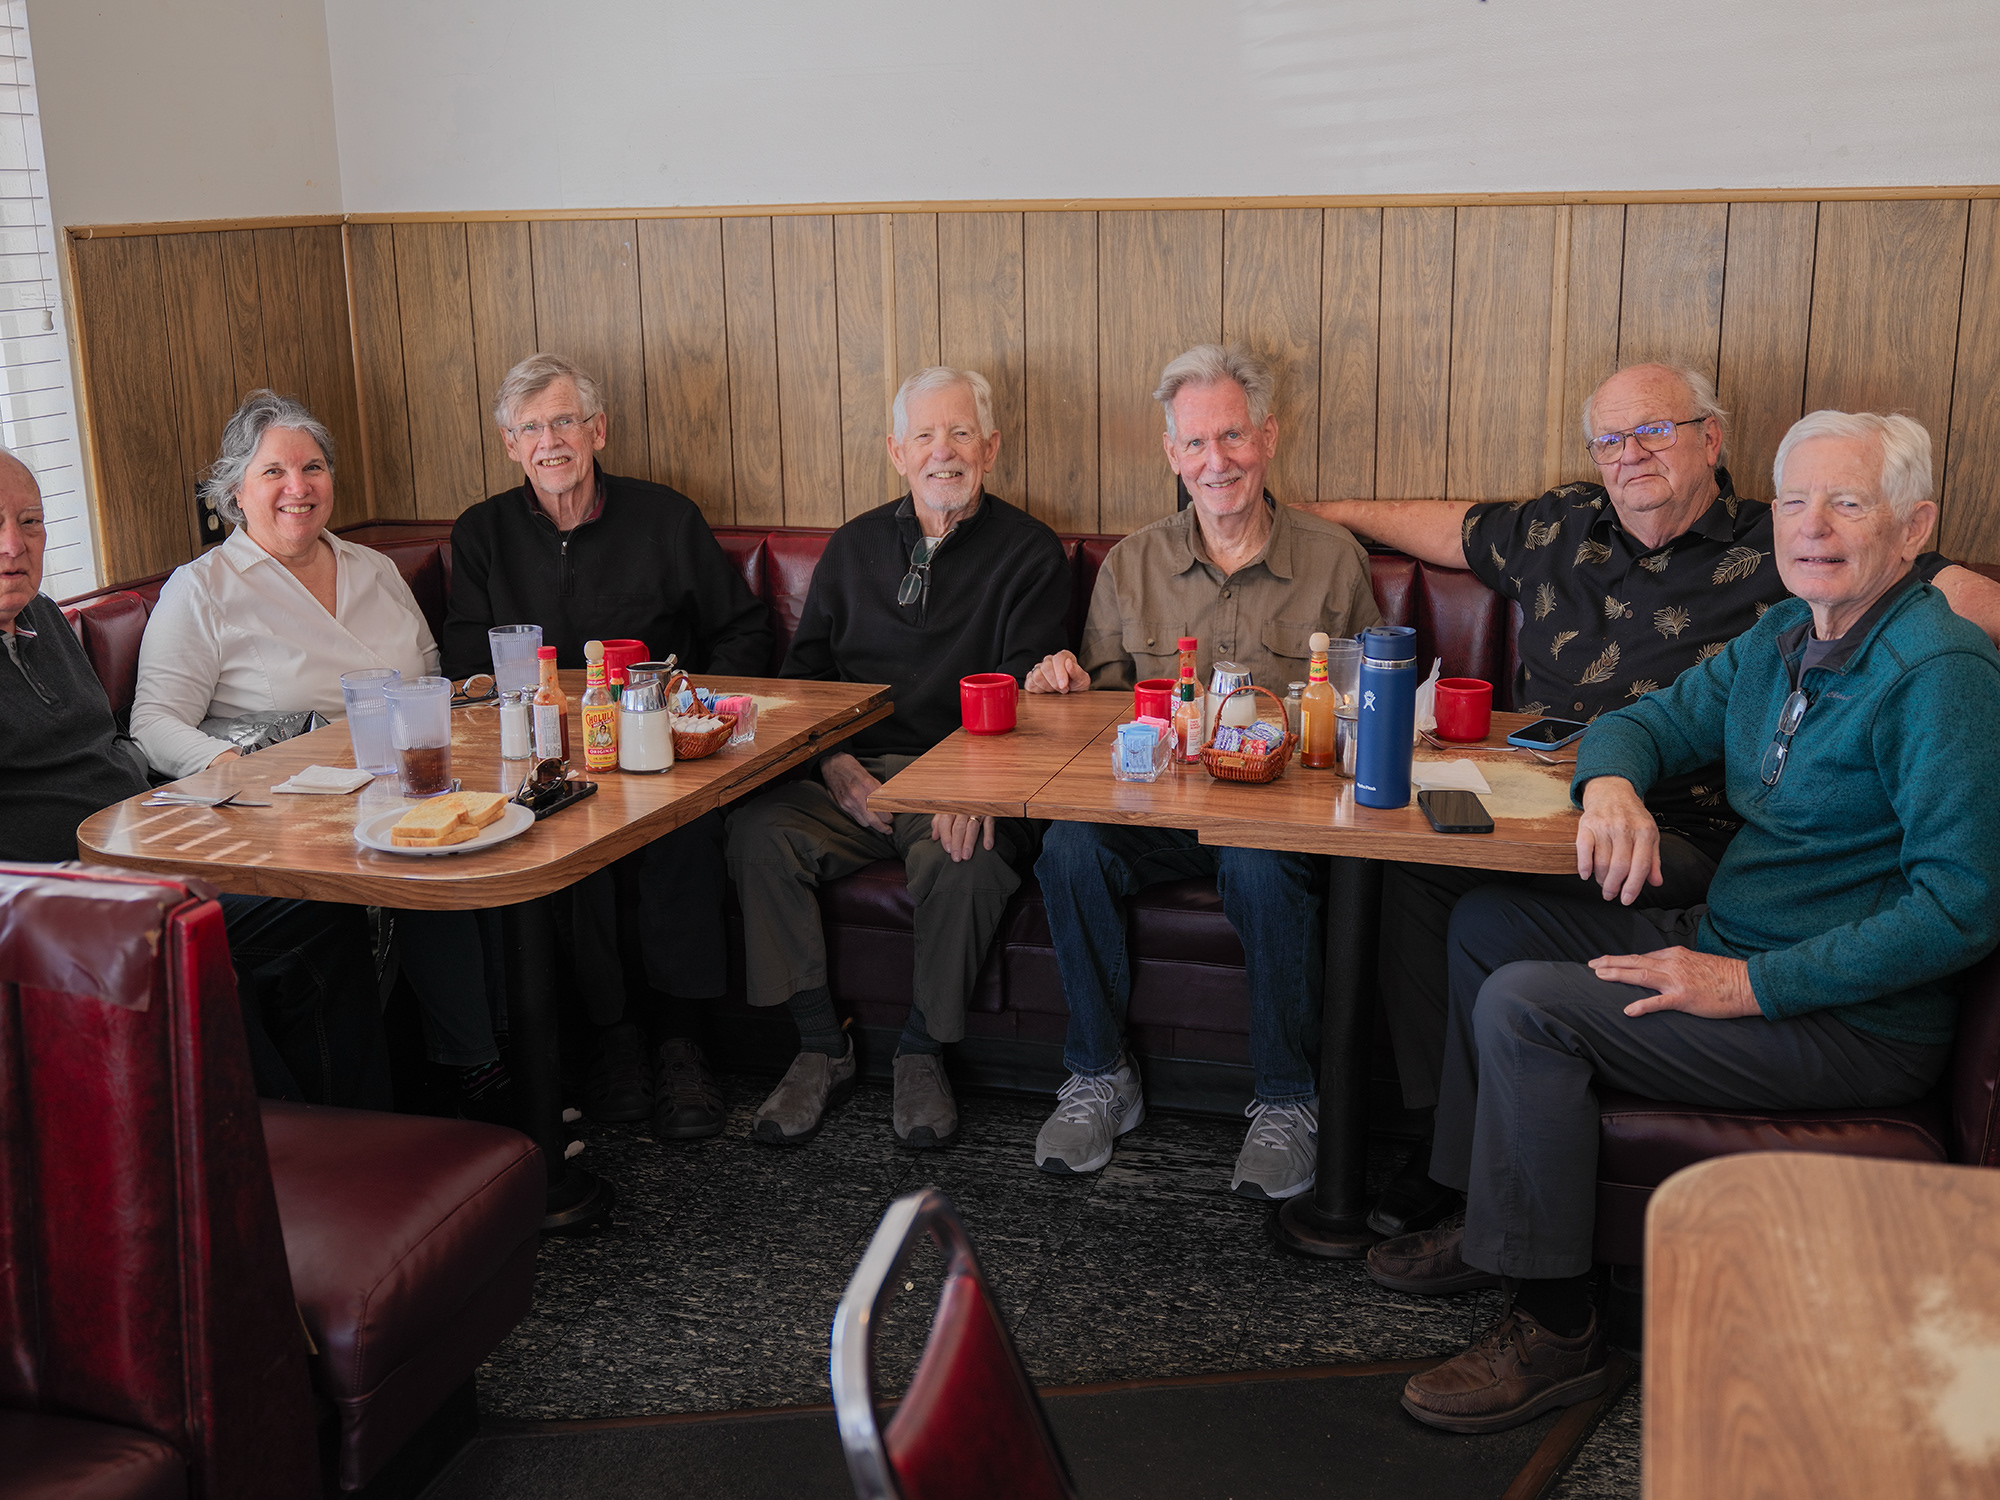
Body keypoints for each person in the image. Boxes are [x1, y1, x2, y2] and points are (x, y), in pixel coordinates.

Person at [1369, 411, 2000, 1434]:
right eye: (1794, 502)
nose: (1811, 527)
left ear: (1913, 527)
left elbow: (1960, 911)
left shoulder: (1939, 673)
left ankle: (1558, 1328)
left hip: (1845, 1021)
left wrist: (1748, 985)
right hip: (1732, 941)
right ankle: (1490, 1215)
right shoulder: (1785, 634)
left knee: (1527, 1007)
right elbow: (1642, 721)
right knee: (1487, 922)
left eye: (1847, 503)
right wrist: (1612, 787)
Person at [1023, 343, 1381, 1200]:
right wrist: (1060, 683)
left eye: (1232, 436)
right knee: (1068, 846)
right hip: (1155, 815)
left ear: (1268, 436)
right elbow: (1101, 724)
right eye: (1194, 443)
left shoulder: (1334, 559)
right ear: (1171, 452)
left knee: (1258, 866)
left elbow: (1366, 708)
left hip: (1278, 820)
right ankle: (1100, 1077)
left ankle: (1289, 1102)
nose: (1215, 462)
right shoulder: (1131, 564)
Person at [127, 392, 507, 1119]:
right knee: (423, 862)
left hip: (409, 779)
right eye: (273, 472)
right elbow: (152, 722)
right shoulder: (203, 588)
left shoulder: (373, 568)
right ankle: (475, 1074)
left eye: (313, 467)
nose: (297, 487)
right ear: (235, 491)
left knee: (490, 838)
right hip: (292, 809)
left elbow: (432, 682)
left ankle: (494, 1059)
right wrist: (238, 767)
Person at [725, 366, 1070, 1150]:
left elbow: (1027, 696)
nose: (942, 452)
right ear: (896, 451)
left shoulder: (1030, 552)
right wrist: (834, 763)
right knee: (757, 832)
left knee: (968, 857)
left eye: (960, 434)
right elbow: (805, 684)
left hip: (962, 773)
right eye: (925, 436)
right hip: (855, 774)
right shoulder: (852, 548)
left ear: (990, 449)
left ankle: (922, 1050)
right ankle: (821, 1045)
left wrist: (969, 786)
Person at [442, 353, 774, 1141]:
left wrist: (695, 708)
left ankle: (682, 1042)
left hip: (664, 753)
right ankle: (614, 1041)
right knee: (563, 834)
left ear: (598, 430)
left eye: (564, 421)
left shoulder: (666, 518)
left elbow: (744, 629)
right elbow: (464, 660)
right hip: (545, 760)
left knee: (684, 834)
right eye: (531, 428)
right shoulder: (483, 532)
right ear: (509, 444)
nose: (549, 442)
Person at [0, 444, 388, 1108]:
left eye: (30, 522)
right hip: (58, 909)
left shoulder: (40, 616)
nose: (14, 546)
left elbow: (105, 749)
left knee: (321, 909)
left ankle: (357, 1133)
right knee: (196, 954)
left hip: (146, 856)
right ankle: (261, 1148)